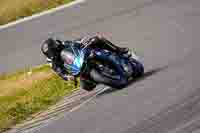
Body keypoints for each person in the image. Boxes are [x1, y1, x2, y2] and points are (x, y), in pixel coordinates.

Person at [41, 34, 130, 91]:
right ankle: (105, 76)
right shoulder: (52, 62)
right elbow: (60, 72)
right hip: (77, 70)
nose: (53, 54)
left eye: (53, 51)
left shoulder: (64, 44)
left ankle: (118, 50)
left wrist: (83, 44)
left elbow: (76, 44)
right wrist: (68, 77)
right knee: (86, 86)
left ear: (56, 45)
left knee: (97, 39)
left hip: (83, 56)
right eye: (50, 53)